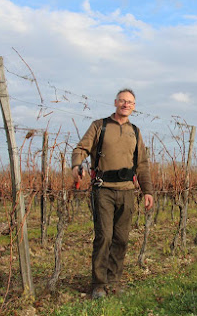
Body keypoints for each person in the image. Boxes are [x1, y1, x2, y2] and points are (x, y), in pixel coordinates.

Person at [71, 88, 154, 299]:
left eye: (130, 102)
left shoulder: (135, 131)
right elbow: (81, 148)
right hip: (103, 189)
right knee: (104, 237)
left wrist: (148, 191)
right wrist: (76, 165)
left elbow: (142, 164)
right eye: (123, 101)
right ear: (115, 102)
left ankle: (114, 281)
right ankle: (98, 284)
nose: (126, 105)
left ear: (134, 107)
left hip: (127, 190)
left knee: (121, 239)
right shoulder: (100, 126)